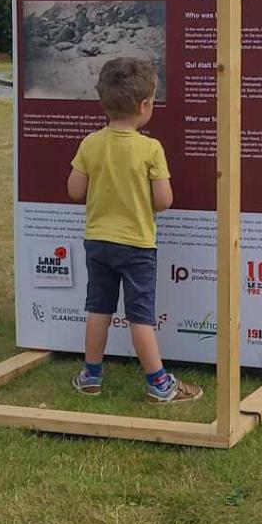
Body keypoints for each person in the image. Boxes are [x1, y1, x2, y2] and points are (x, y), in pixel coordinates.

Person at [67, 55, 202, 403]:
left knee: (98, 309)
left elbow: (75, 191)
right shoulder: (150, 149)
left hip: (98, 242)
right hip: (138, 245)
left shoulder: (90, 143)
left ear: (103, 103)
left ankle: (91, 376)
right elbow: (164, 200)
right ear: (144, 106)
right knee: (140, 316)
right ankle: (158, 383)